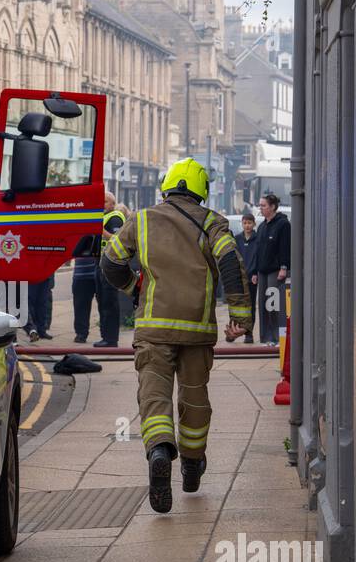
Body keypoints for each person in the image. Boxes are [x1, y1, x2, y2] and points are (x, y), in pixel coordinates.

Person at [100, 158, 253, 512]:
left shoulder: (141, 220)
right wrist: (240, 318)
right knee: (195, 398)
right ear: (201, 191)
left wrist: (134, 289)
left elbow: (110, 263)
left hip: (154, 327)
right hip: (197, 330)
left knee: (154, 395)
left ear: (166, 186)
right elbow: (231, 263)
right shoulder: (213, 222)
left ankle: (158, 451)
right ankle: (191, 463)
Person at [72, 191, 125, 347]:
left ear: (112, 203)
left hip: (109, 264)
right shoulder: (104, 217)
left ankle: (111, 339)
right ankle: (106, 337)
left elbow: (117, 239)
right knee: (103, 303)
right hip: (100, 263)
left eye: (104, 202)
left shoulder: (115, 218)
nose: (101, 205)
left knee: (109, 302)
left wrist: (100, 230)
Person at [254, 193, 291, 346]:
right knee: (262, 304)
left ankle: (276, 338)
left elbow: (285, 248)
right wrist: (255, 272)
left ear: (273, 207)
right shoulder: (262, 226)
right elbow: (259, 250)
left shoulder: (282, 225)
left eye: (263, 205)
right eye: (260, 205)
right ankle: (265, 337)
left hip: (275, 271)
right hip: (262, 271)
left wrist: (284, 267)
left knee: (273, 304)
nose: (260, 208)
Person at [235, 210, 261, 344]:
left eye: (249, 223)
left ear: (254, 224)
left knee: (250, 307)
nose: (247, 226)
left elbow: (259, 258)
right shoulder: (237, 238)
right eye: (245, 223)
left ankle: (249, 334)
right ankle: (233, 332)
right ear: (242, 224)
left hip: (252, 278)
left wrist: (256, 273)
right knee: (238, 306)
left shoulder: (258, 239)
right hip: (239, 277)